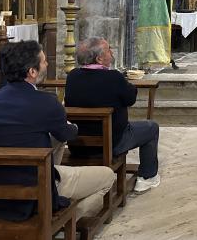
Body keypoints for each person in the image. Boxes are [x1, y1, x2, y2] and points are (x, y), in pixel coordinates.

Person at [0, 41, 115, 222]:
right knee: (108, 177)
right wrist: (74, 126)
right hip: (32, 193)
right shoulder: (46, 101)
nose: (46, 65)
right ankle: (65, 223)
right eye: (44, 61)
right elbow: (67, 134)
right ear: (32, 71)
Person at [65, 38, 160, 195]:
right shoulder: (113, 77)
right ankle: (147, 177)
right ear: (99, 58)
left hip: (78, 144)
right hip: (113, 143)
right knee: (151, 127)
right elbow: (130, 98)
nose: (112, 52)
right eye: (109, 49)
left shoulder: (73, 76)